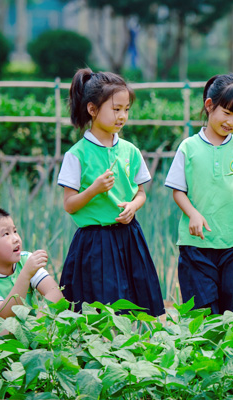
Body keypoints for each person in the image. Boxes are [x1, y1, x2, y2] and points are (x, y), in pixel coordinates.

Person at [57, 68, 164, 316]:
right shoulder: (76, 155)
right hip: (95, 242)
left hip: (129, 236)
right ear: (92, 109)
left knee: (135, 304)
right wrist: (94, 189)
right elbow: (69, 204)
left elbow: (141, 193)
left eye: (126, 109)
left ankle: (131, 353)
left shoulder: (130, 151)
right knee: (100, 308)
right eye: (116, 109)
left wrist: (133, 207)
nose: (122, 116)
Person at [164, 73, 233, 314]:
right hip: (196, 244)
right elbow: (178, 191)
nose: (232, 122)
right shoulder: (189, 147)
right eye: (227, 113)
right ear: (209, 106)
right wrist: (193, 214)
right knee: (201, 309)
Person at [0, 207, 63, 319]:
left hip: (33, 329)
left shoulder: (25, 260)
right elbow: (4, 316)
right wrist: (25, 275)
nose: (16, 238)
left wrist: (39, 323)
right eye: (6, 234)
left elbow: (55, 293)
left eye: (15, 231)